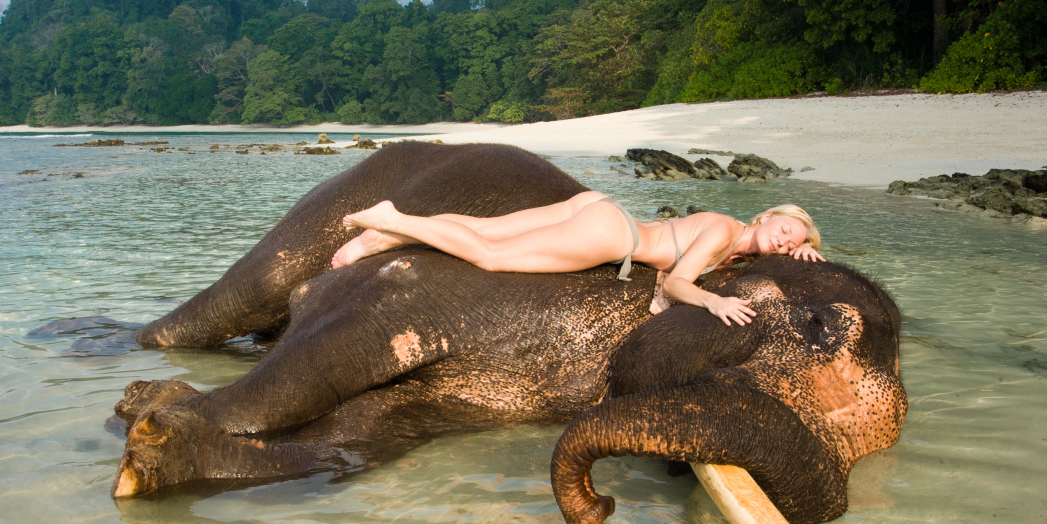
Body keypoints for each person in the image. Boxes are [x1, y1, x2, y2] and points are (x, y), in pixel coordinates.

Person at [331, 192, 824, 326]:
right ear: (764, 216)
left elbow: (777, 261)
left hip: (598, 207)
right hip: (612, 234)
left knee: (484, 227)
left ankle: (382, 239)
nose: (783, 243)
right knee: (490, 254)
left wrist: (807, 250)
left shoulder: (740, 243)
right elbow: (677, 284)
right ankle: (393, 218)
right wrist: (712, 303)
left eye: (792, 242)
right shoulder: (722, 229)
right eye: (784, 231)